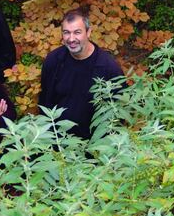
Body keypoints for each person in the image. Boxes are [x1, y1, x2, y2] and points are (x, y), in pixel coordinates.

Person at [39, 8, 125, 140]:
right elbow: (45, 100)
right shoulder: (54, 60)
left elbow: (118, 114)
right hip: (56, 141)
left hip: (92, 147)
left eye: (77, 32)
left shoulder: (108, 68)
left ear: (88, 32)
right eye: (66, 33)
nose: (71, 39)